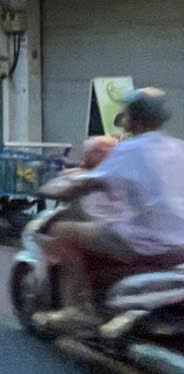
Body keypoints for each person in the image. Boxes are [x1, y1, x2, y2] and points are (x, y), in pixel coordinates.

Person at [35, 89, 184, 333]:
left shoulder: (130, 150)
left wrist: (56, 190)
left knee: (62, 231)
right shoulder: (178, 147)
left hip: (144, 241)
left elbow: (89, 183)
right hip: (179, 244)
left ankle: (78, 310)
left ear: (135, 119)